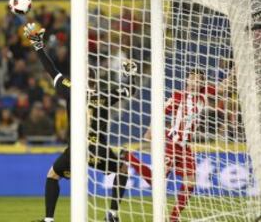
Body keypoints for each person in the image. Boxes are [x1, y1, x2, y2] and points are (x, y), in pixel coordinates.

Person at [24, 23, 137, 222]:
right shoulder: (104, 95)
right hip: (97, 149)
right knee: (122, 169)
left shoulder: (70, 89)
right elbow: (130, 91)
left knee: (53, 175)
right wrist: (131, 74)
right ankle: (112, 214)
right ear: (95, 81)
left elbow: (51, 69)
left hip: (76, 150)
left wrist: (38, 45)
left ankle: (49, 220)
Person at [123, 68, 234, 222]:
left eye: (198, 80)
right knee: (156, 182)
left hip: (186, 147)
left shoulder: (204, 92)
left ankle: (173, 218)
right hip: (173, 144)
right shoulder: (178, 96)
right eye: (192, 78)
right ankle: (128, 156)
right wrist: (150, 131)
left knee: (190, 182)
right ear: (187, 80)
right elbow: (160, 113)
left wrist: (236, 71)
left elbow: (224, 87)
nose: (195, 82)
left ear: (202, 83)